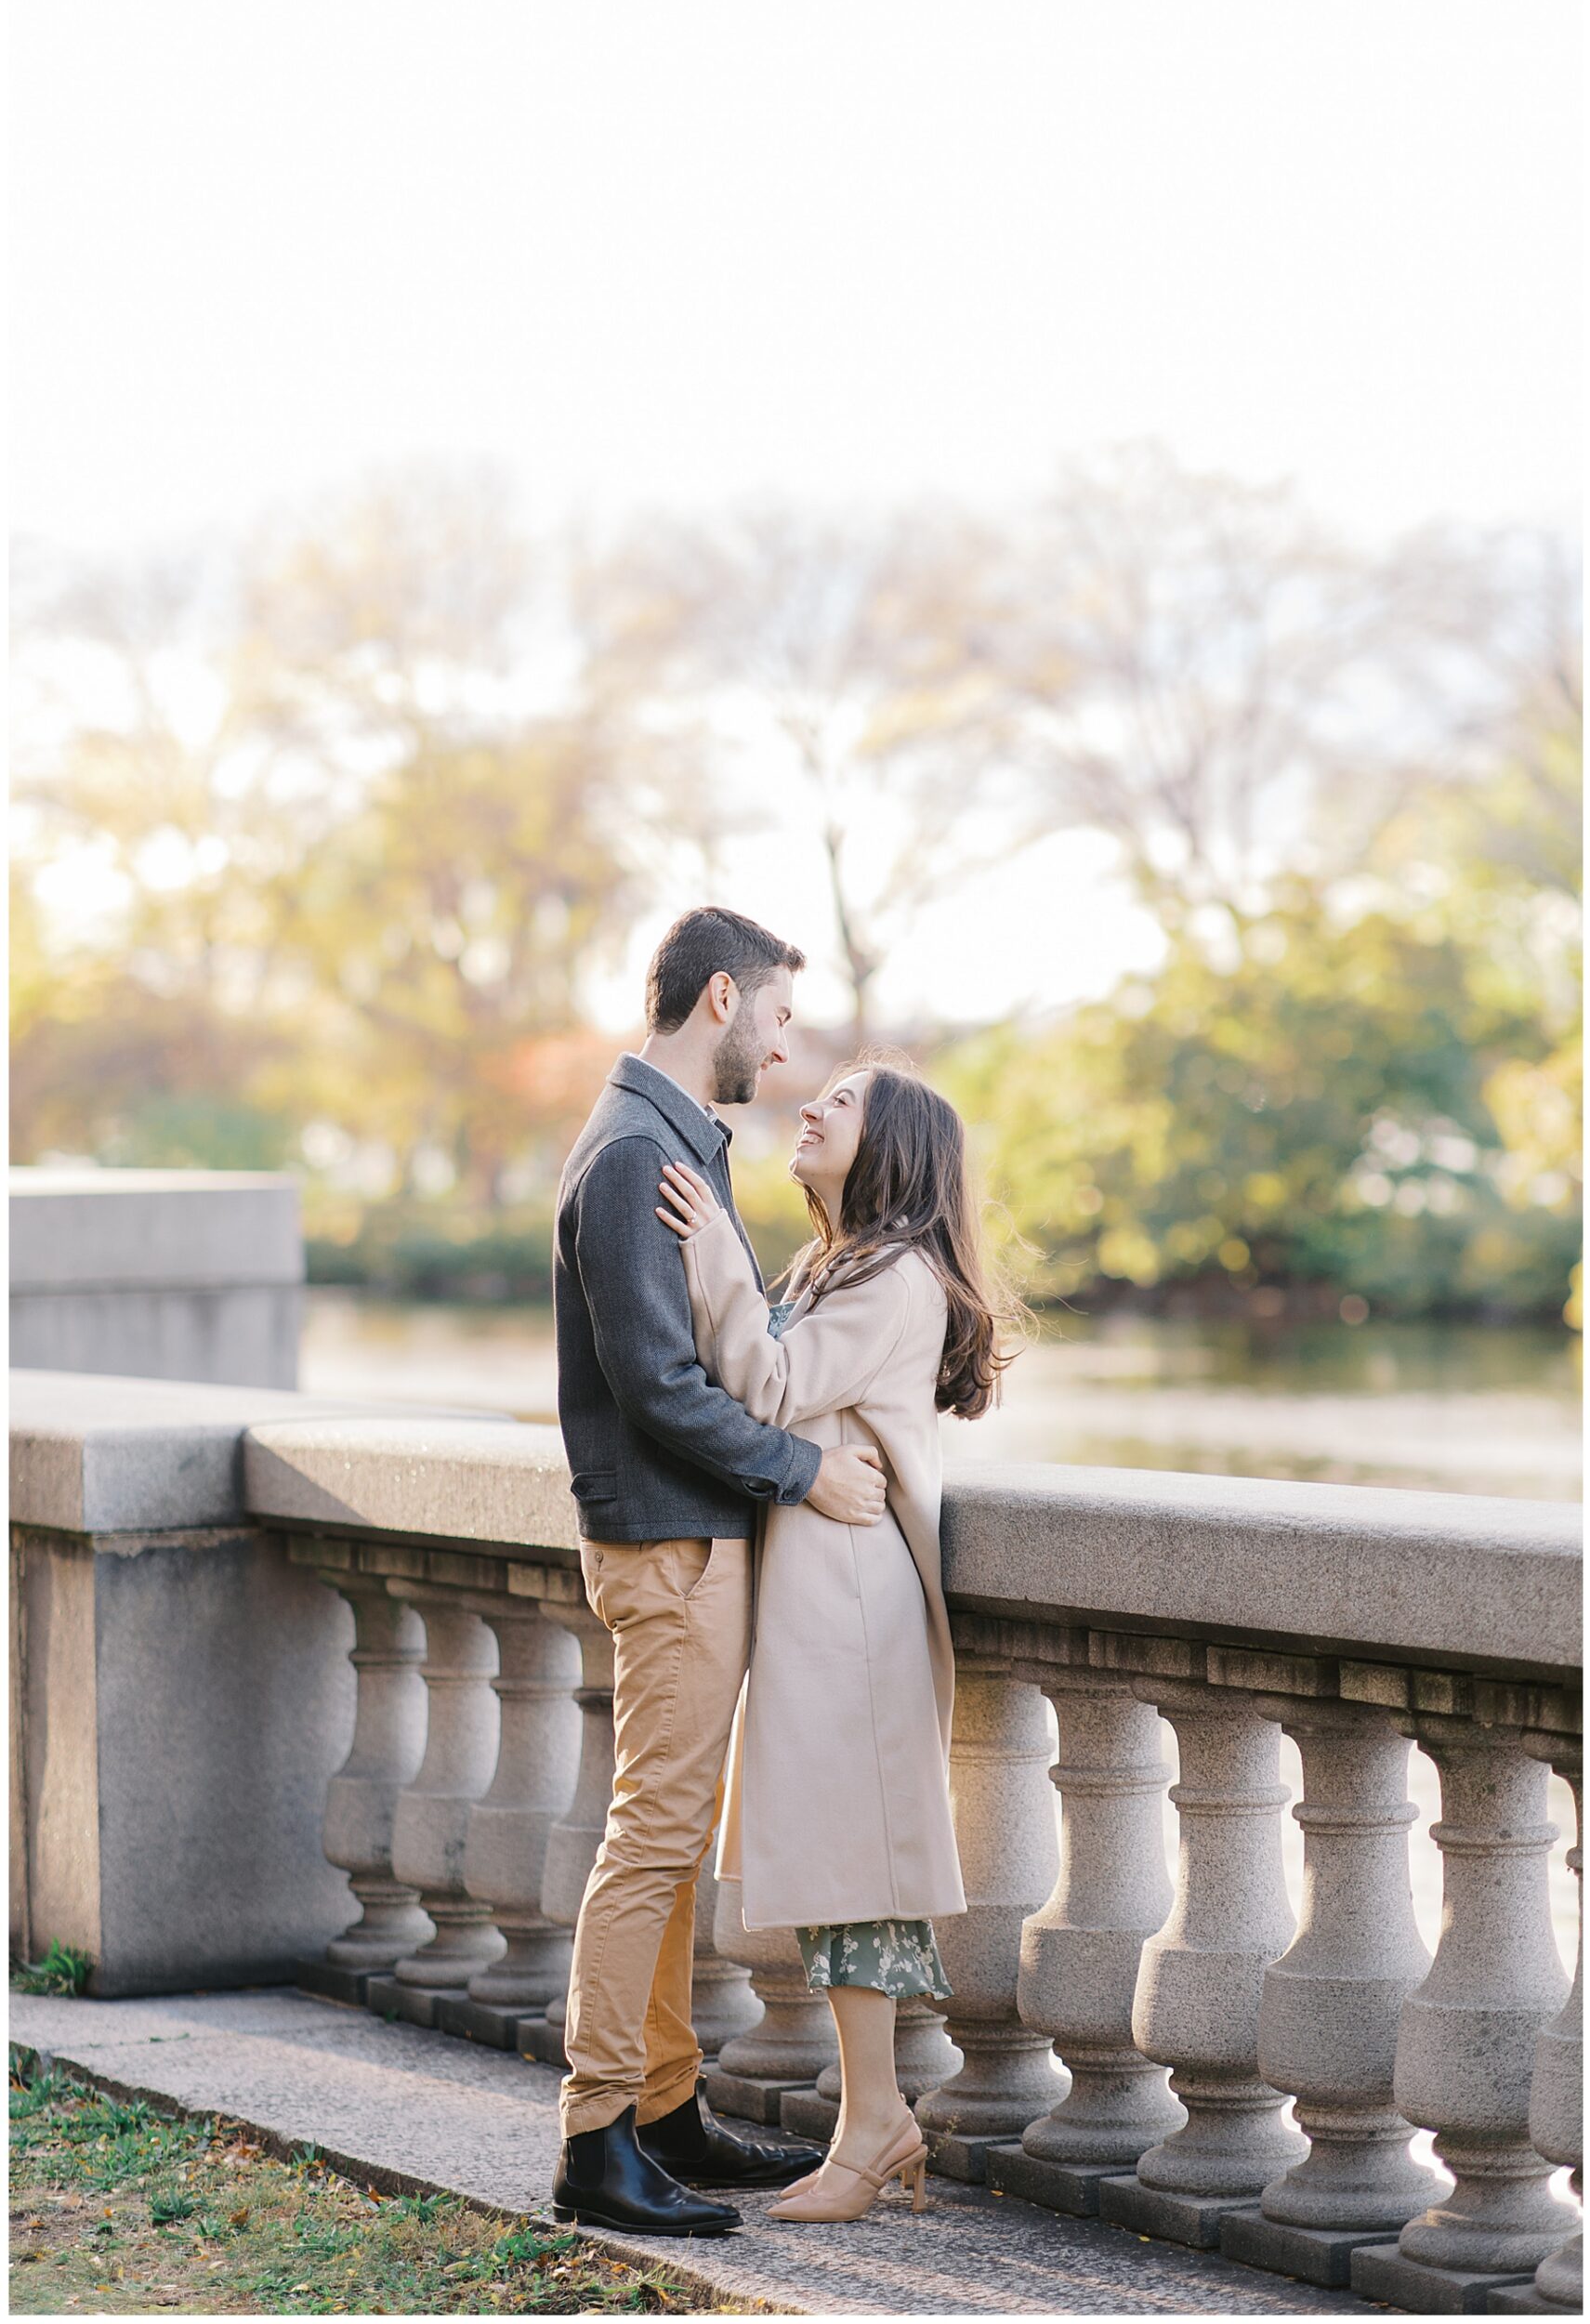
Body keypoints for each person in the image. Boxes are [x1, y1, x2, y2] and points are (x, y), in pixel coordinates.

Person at [549, 907, 890, 2239]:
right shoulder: (637, 1152)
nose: (785, 1042)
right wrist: (802, 1472)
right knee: (651, 1841)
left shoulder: (673, 1141)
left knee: (674, 1840)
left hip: (690, 1538)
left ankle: (664, 2109)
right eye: (777, 1014)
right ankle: (596, 2140)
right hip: (672, 1543)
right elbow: (654, 1384)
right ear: (716, 1006)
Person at [654, 1056, 1017, 2225]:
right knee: (835, 1865)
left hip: (855, 1609)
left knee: (857, 1868)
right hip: (820, 1599)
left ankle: (875, 2128)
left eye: (842, 1098)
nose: (810, 1104)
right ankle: (877, 2121)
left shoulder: (897, 1278)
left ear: (895, 1145)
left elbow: (768, 1386)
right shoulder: (840, 1263)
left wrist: (711, 1247)